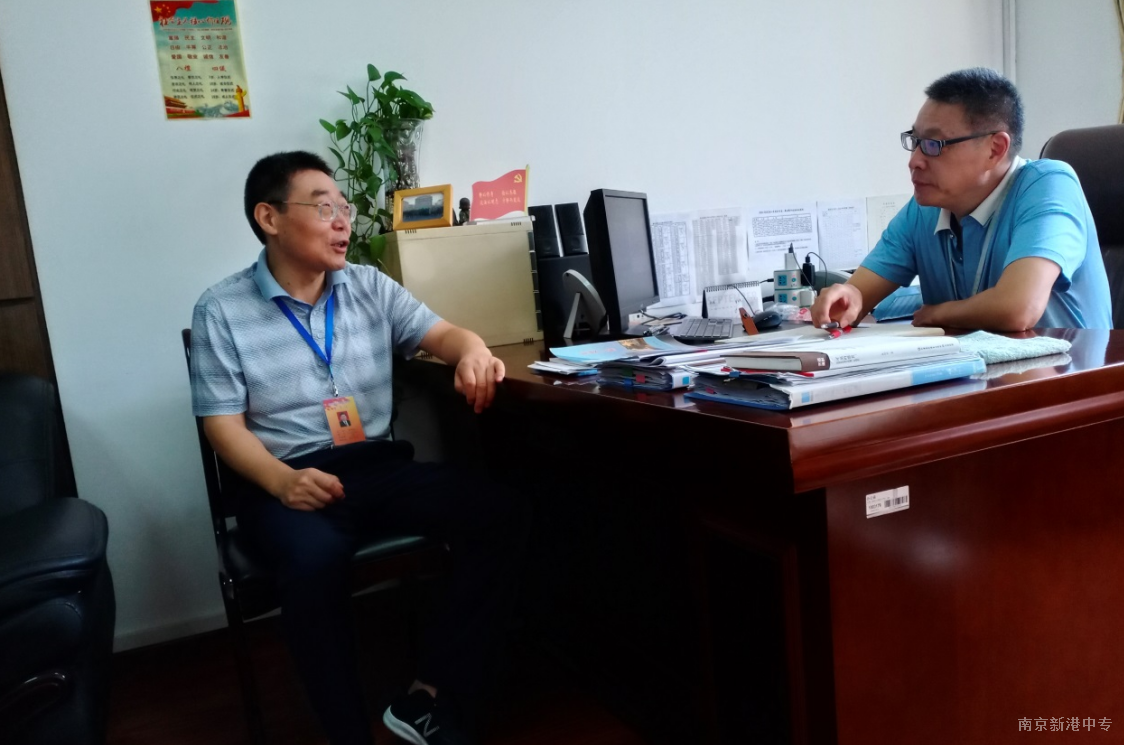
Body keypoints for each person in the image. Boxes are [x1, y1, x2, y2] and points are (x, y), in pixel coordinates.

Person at [190, 151, 525, 745]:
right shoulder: (222, 309)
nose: (343, 220)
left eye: (343, 207)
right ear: (269, 217)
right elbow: (223, 425)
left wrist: (472, 351)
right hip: (287, 481)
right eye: (324, 208)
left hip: (374, 466)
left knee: (500, 511)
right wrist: (281, 482)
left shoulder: (368, 285)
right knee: (312, 561)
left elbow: (444, 334)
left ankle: (429, 695)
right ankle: (348, 732)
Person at [811, 67, 1112, 332]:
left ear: (995, 149)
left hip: (1074, 375)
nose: (914, 161)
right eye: (915, 141)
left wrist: (936, 314)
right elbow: (859, 294)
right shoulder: (924, 210)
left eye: (934, 144)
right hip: (977, 374)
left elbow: (1018, 308)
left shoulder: (1049, 184)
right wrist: (848, 298)